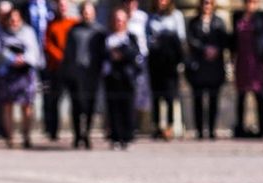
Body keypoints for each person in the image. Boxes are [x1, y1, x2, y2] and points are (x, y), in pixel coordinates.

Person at [0, 4, 43, 146]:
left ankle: (26, 136)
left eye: (16, 19)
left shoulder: (28, 32)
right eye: (11, 19)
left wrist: (24, 59)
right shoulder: (2, 32)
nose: (14, 22)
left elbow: (34, 51)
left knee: (27, 105)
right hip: (9, 72)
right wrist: (12, 59)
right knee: (7, 105)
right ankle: (10, 137)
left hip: (25, 73)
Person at [64, 1, 104, 146]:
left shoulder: (100, 32)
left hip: (92, 75)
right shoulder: (73, 30)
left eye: (89, 12)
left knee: (90, 106)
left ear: (94, 13)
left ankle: (87, 133)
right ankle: (77, 135)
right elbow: (67, 53)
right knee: (76, 105)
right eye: (85, 12)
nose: (87, 14)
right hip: (75, 74)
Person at [185, 0, 227, 137]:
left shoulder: (219, 22)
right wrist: (204, 49)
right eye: (204, 3)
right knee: (198, 99)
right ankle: (199, 130)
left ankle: (211, 129)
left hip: (215, 66)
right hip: (198, 66)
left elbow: (224, 40)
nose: (206, 6)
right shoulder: (193, 22)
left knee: (213, 99)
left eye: (209, 3)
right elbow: (190, 40)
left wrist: (215, 50)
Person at [104, 5, 143, 146]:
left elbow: (137, 56)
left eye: (121, 20)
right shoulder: (107, 38)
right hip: (112, 78)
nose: (118, 22)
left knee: (128, 107)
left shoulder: (131, 37)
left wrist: (122, 53)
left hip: (127, 77)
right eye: (116, 20)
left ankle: (127, 136)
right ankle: (115, 136)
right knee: (113, 108)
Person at [148, 0, 187, 137]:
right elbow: (148, 39)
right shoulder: (151, 17)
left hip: (170, 63)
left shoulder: (176, 16)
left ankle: (170, 126)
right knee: (156, 96)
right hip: (155, 62)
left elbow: (181, 39)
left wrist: (180, 61)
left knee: (170, 95)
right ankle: (157, 126)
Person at [233, 0, 263, 134]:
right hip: (242, 60)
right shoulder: (237, 17)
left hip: (256, 60)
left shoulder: (262, 18)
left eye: (253, 3)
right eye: (248, 3)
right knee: (241, 95)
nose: (250, 6)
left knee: (259, 94)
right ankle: (240, 127)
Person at [43, 0, 78, 140]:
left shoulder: (74, 24)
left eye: (64, 5)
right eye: (60, 5)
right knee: (53, 100)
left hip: (72, 68)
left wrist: (69, 59)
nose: (62, 7)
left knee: (75, 100)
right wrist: (60, 58)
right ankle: (52, 131)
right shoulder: (51, 24)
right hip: (56, 68)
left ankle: (77, 132)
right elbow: (48, 45)